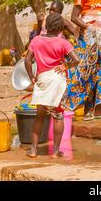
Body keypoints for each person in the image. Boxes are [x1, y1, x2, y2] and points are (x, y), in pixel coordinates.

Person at [24, 13, 80, 158]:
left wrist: (32, 77)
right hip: (57, 79)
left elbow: (27, 60)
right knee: (58, 115)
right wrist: (66, 66)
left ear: (46, 26)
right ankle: (55, 152)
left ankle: (33, 150)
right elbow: (77, 59)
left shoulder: (36, 40)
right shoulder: (63, 42)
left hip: (42, 78)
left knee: (39, 116)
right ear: (61, 28)